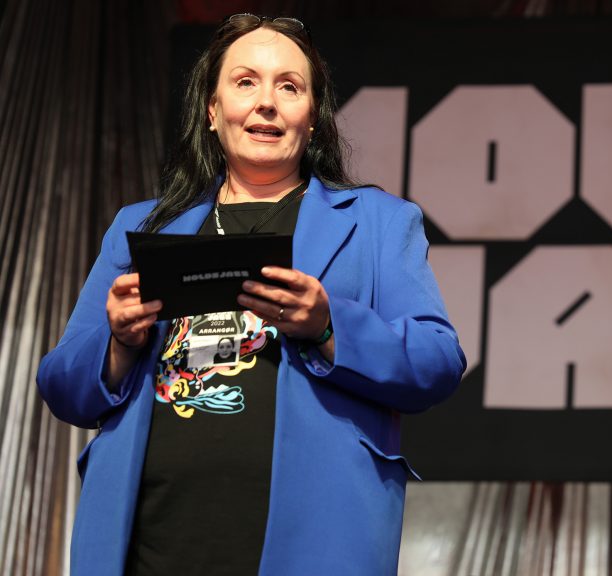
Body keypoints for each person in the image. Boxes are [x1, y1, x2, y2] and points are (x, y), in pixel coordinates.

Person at [36, 13, 465, 575]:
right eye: (245, 82)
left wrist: (328, 325)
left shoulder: (378, 222)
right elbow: (62, 386)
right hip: (151, 544)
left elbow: (437, 361)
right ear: (212, 111)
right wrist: (118, 343)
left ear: (313, 116)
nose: (266, 103)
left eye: (289, 87)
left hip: (316, 546)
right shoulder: (143, 226)